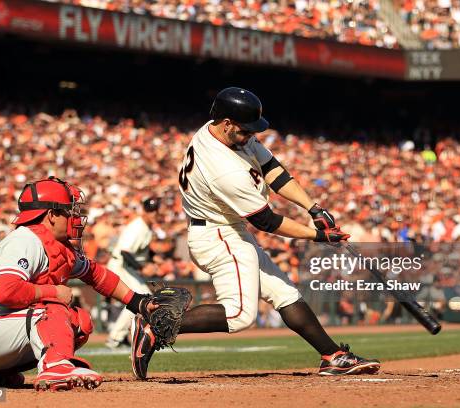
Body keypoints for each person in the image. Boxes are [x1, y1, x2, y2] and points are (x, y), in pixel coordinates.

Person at [131, 87, 380, 379]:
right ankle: (156, 323)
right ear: (227, 124)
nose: (251, 135)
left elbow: (273, 169)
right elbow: (266, 221)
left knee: (284, 293)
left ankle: (333, 356)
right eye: (246, 130)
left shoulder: (222, 131)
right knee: (239, 315)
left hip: (227, 229)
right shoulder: (223, 168)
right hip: (218, 235)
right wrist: (317, 236)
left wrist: (313, 208)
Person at [0, 177, 162, 391]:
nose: (75, 216)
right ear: (51, 215)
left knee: (80, 323)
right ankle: (56, 367)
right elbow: (6, 290)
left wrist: (138, 302)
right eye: (69, 210)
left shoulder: (56, 246)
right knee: (53, 308)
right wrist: (53, 292)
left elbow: (96, 274)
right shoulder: (25, 240)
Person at [105, 198, 160, 349]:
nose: (153, 213)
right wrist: (142, 268)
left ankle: (118, 337)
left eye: (155, 210)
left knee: (142, 299)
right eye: (150, 210)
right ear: (144, 211)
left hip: (127, 266)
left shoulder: (147, 227)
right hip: (120, 265)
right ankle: (115, 338)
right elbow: (125, 252)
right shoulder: (138, 227)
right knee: (140, 299)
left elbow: (143, 250)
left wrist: (154, 259)